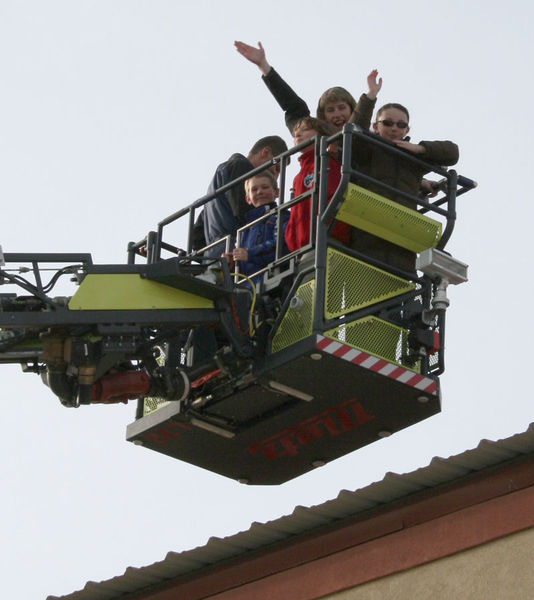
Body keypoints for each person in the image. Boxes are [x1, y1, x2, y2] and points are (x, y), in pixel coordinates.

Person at [349, 102, 459, 271]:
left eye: (401, 125)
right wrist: (369, 97)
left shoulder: (412, 158)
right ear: (375, 127)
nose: (394, 128)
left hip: (402, 245)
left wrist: (420, 148)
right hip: (367, 238)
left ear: (407, 130)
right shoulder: (367, 150)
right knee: (364, 290)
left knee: (402, 289)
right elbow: (352, 133)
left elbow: (452, 152)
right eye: (387, 123)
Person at [234, 41, 381, 134]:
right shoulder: (314, 135)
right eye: (330, 110)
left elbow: (357, 124)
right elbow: (294, 109)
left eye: (341, 107)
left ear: (352, 109)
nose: (337, 114)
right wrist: (263, 66)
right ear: (323, 115)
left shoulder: (366, 137)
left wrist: (370, 96)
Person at [201, 136, 288, 258]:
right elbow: (245, 214)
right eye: (277, 168)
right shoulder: (242, 167)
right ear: (265, 152)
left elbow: (197, 235)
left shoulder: (216, 184)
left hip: (215, 255)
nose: (275, 174)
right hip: (235, 253)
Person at [284, 117, 350, 252]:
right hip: (302, 247)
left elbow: (335, 199)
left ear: (322, 135)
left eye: (306, 130)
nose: (298, 134)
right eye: (296, 131)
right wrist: (291, 238)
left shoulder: (328, 164)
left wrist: (330, 231)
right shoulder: (298, 176)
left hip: (326, 240)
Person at [230, 171, 288, 279]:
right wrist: (231, 263)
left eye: (265, 187)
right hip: (247, 288)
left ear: (276, 192)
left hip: (272, 284)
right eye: (254, 189)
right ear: (248, 198)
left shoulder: (282, 216)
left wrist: (250, 254)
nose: (259, 192)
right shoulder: (244, 230)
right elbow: (241, 265)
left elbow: (282, 245)